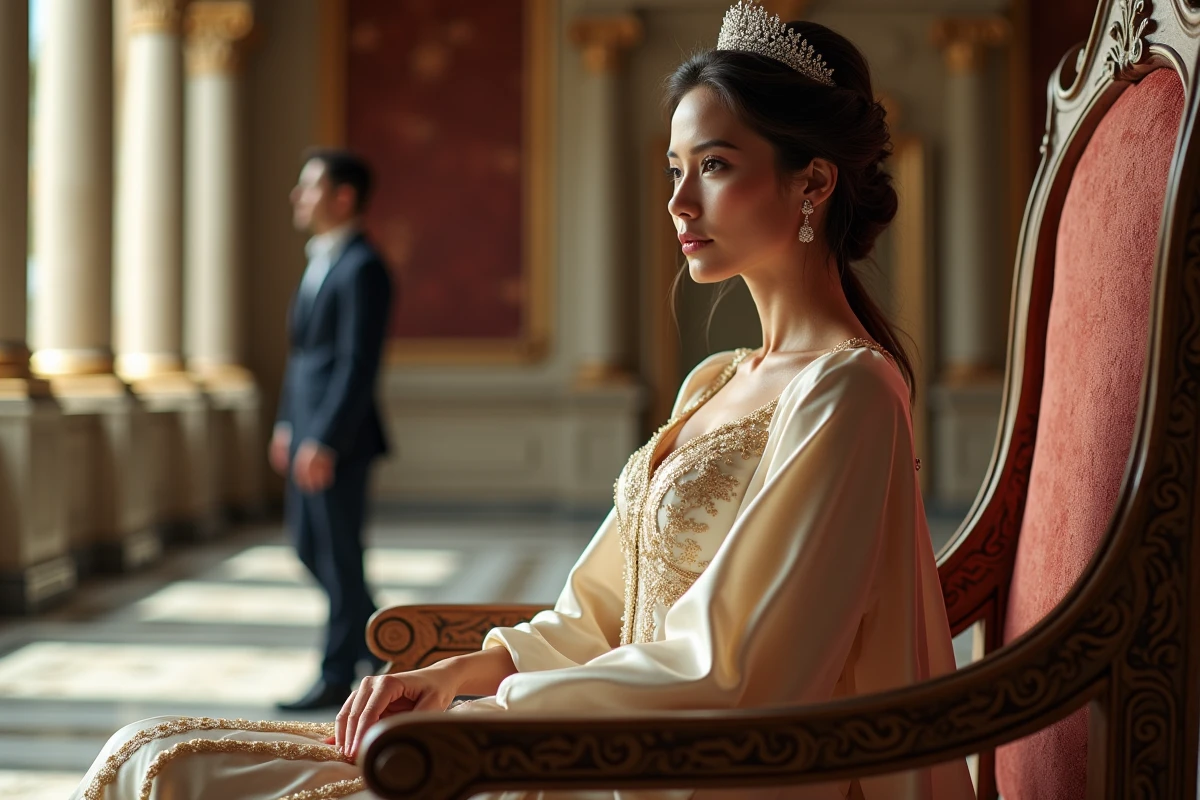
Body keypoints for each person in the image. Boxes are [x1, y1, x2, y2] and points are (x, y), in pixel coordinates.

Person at [71, 5, 975, 799]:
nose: (679, 201)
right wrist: (463, 669)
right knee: (148, 747)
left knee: (170, 774)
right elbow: (599, 609)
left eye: (715, 165)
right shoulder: (720, 379)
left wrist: (493, 719)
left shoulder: (847, 393)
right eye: (672, 169)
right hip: (574, 728)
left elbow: (738, 674)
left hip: (658, 769)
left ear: (812, 182)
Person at [270, 149, 394, 712]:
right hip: (306, 431)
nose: (298, 197)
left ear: (342, 196)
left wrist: (324, 439)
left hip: (337, 440)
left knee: (341, 555)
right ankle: (385, 639)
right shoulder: (320, 259)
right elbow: (304, 358)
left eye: (308, 187)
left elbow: (354, 364)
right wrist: (287, 425)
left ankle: (336, 671)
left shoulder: (365, 267)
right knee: (308, 547)